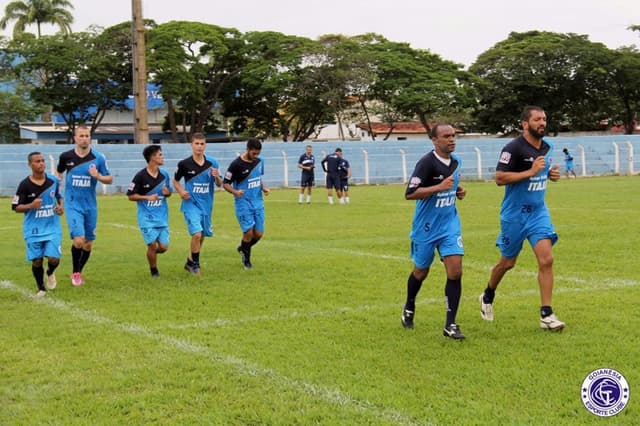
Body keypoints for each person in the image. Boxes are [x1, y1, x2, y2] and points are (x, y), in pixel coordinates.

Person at [479, 105, 565, 331]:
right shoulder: (513, 148)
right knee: (507, 262)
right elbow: (499, 178)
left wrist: (550, 175)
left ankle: (546, 314)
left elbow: (542, 172)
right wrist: (530, 172)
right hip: (514, 216)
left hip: (538, 213)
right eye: (537, 119)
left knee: (546, 259)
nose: (542, 123)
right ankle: (488, 294)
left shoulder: (548, 147)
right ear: (525, 124)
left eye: (544, 119)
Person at [401, 123, 466, 340]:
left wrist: (458, 191)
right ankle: (410, 304)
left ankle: (450, 324)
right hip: (426, 228)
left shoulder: (457, 162)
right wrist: (438, 188)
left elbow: (451, 184)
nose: (451, 139)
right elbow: (410, 194)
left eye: (453, 135)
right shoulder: (426, 164)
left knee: (455, 271)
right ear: (434, 140)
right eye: (446, 136)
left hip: (449, 225)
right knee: (421, 271)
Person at [57, 125, 113, 286]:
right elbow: (59, 173)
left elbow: (109, 179)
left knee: (88, 243)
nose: (84, 138)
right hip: (73, 204)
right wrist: (57, 192)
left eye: (87, 135)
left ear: (90, 137)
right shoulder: (66, 156)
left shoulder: (99, 158)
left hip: (90, 205)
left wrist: (98, 176)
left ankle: (79, 272)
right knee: (79, 241)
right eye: (81, 136)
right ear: (75, 138)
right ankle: (75, 273)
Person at [12, 152, 64, 297]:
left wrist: (60, 207)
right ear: (30, 165)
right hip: (33, 228)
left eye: (42, 161)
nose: (41, 163)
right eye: (37, 161)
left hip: (52, 226)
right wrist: (31, 205)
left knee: (54, 258)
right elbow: (16, 207)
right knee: (37, 260)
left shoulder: (53, 180)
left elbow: (59, 197)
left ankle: (50, 272)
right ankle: (41, 288)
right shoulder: (24, 185)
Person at [173, 132, 222, 276]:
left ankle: (189, 261)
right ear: (191, 145)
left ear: (205, 145)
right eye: (197, 144)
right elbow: (175, 181)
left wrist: (217, 177)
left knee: (202, 235)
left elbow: (220, 184)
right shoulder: (184, 164)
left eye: (202, 144)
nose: (199, 147)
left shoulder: (212, 163)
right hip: (190, 203)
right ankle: (195, 265)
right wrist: (181, 191)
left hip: (206, 205)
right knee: (196, 234)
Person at [223, 138, 270, 270]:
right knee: (248, 232)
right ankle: (247, 261)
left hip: (258, 202)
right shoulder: (236, 165)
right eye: (253, 153)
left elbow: (257, 177)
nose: (256, 156)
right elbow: (225, 183)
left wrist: (263, 187)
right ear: (247, 149)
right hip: (243, 202)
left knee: (259, 234)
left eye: (258, 154)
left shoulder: (260, 162)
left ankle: (243, 248)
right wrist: (235, 192)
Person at [127, 145, 172, 277]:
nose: (162, 157)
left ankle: (150, 254)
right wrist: (147, 197)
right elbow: (130, 195)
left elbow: (169, 193)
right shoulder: (140, 176)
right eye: (160, 154)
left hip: (162, 217)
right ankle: (154, 271)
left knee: (163, 248)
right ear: (152, 158)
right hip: (146, 218)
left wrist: (167, 192)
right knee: (152, 245)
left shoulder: (164, 175)